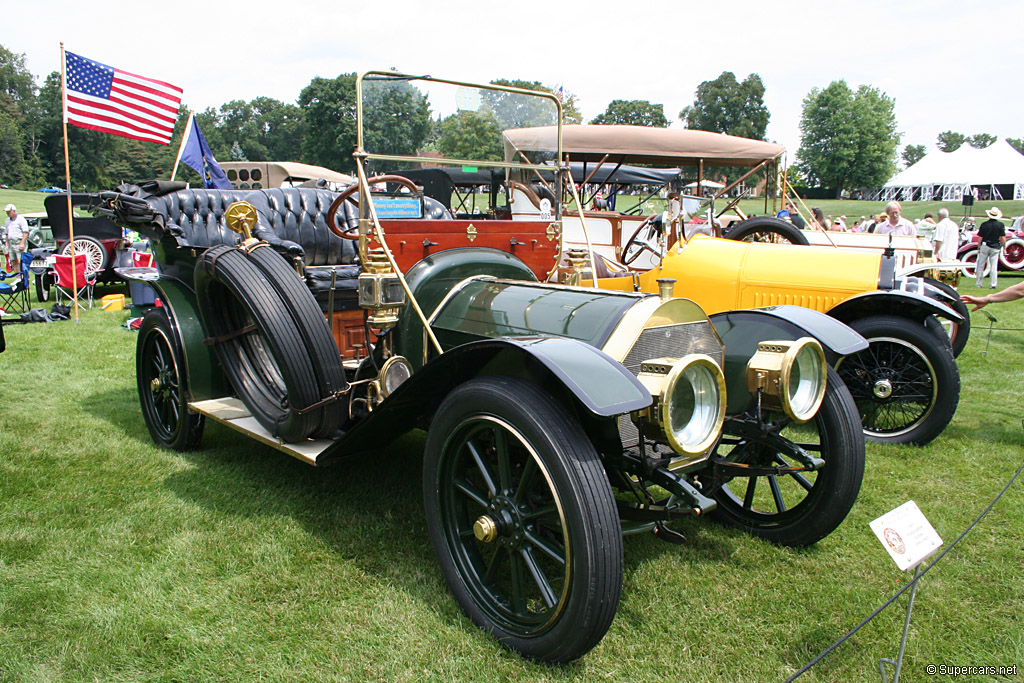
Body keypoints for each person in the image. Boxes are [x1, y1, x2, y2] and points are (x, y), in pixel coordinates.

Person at [975, 206, 1007, 288]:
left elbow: (980, 237)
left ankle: (979, 283)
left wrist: (979, 246)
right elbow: (1002, 238)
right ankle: (993, 284)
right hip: (995, 246)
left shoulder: (984, 224)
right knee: (993, 266)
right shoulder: (1000, 225)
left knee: (981, 265)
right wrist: (1004, 248)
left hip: (985, 245)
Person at [3, 204, 28, 275]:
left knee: (20, 261)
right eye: (7, 212)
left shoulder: (21, 219)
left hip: (19, 242)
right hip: (11, 243)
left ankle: (23, 278)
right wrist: (6, 244)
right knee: (13, 260)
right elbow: (7, 233)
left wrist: (22, 243)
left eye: (9, 212)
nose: (7, 213)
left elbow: (25, 232)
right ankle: (17, 277)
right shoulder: (7, 221)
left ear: (14, 211)